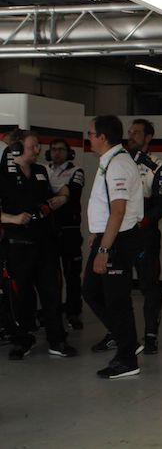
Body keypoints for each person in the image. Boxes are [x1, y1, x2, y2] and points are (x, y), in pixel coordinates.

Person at [0, 130, 77, 359]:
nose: (38, 150)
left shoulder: (43, 170)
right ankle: (22, 339)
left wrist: (60, 199)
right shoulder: (2, 174)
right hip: (16, 245)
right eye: (33, 146)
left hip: (45, 244)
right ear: (17, 148)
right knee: (19, 295)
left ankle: (57, 340)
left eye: (37, 146)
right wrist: (12, 218)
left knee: (51, 292)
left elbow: (64, 189)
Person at [83, 115, 144, 379]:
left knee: (115, 300)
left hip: (117, 241)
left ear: (102, 137)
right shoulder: (110, 161)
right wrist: (97, 233)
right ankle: (126, 340)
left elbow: (118, 211)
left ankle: (127, 359)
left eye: (91, 134)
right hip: (107, 237)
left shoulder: (118, 164)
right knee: (91, 291)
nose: (90, 138)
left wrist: (104, 249)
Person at [128, 119, 162, 354]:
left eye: (137, 133)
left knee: (149, 286)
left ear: (148, 137)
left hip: (145, 235)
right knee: (117, 286)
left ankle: (151, 335)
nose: (132, 136)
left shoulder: (158, 166)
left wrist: (141, 223)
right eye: (130, 132)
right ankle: (119, 333)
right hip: (119, 234)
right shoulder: (119, 161)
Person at [46, 138, 85, 330]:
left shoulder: (76, 171)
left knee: (72, 274)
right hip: (50, 230)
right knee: (50, 275)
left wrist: (59, 198)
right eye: (53, 150)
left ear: (68, 152)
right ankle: (51, 311)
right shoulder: (44, 170)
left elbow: (75, 193)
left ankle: (73, 312)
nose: (57, 153)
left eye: (61, 150)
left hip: (70, 229)